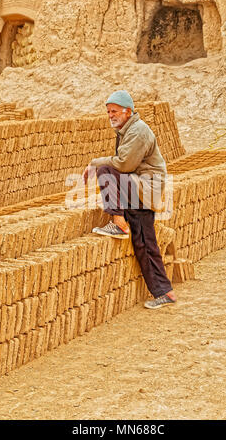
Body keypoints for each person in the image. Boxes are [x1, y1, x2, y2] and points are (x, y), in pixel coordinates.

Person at [83, 90, 176, 309]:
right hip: (139, 188)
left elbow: (123, 164)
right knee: (143, 242)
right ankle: (165, 292)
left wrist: (94, 163)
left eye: (114, 111)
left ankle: (118, 223)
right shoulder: (127, 130)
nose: (110, 115)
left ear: (128, 111)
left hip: (146, 188)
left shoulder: (138, 131)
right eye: (108, 111)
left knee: (106, 170)